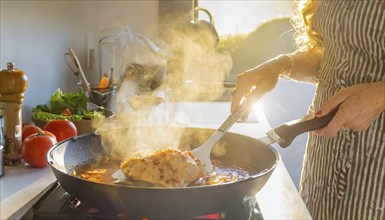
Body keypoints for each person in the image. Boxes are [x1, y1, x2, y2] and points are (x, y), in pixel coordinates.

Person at [231, 1, 385, 219]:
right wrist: (281, 64)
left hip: (377, 167)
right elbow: (335, 55)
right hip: (324, 157)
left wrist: (378, 96)